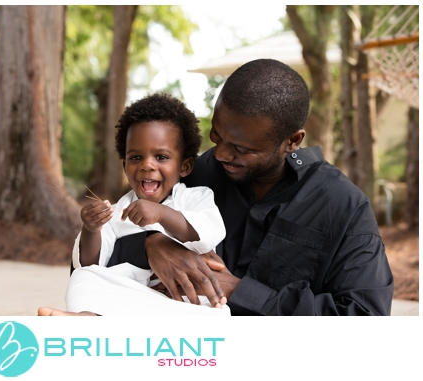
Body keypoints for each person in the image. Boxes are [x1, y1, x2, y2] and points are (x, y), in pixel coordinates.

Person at [119, 58, 394, 316]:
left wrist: (241, 292)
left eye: (240, 148)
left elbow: (365, 315)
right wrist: (152, 243)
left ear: (292, 141)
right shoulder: (199, 172)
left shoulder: (343, 206)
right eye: (217, 135)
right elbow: (120, 229)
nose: (221, 154)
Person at [66, 92, 227, 315]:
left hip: (183, 300)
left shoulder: (196, 198)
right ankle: (88, 319)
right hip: (133, 298)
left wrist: (162, 214)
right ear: (124, 166)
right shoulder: (116, 211)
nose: (147, 165)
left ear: (185, 167)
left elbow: (209, 234)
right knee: (83, 278)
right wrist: (91, 229)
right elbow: (90, 263)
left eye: (161, 157)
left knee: (216, 308)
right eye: (135, 157)